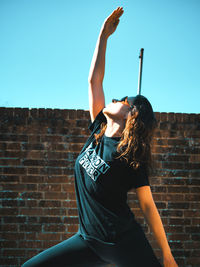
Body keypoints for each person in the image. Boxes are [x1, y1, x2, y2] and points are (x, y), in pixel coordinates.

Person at [22, 7, 178, 267]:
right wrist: (104, 35)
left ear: (132, 116)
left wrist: (167, 254)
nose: (115, 99)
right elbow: (94, 81)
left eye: (124, 100)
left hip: (123, 243)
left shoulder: (127, 156)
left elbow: (148, 207)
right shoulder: (98, 129)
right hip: (87, 241)